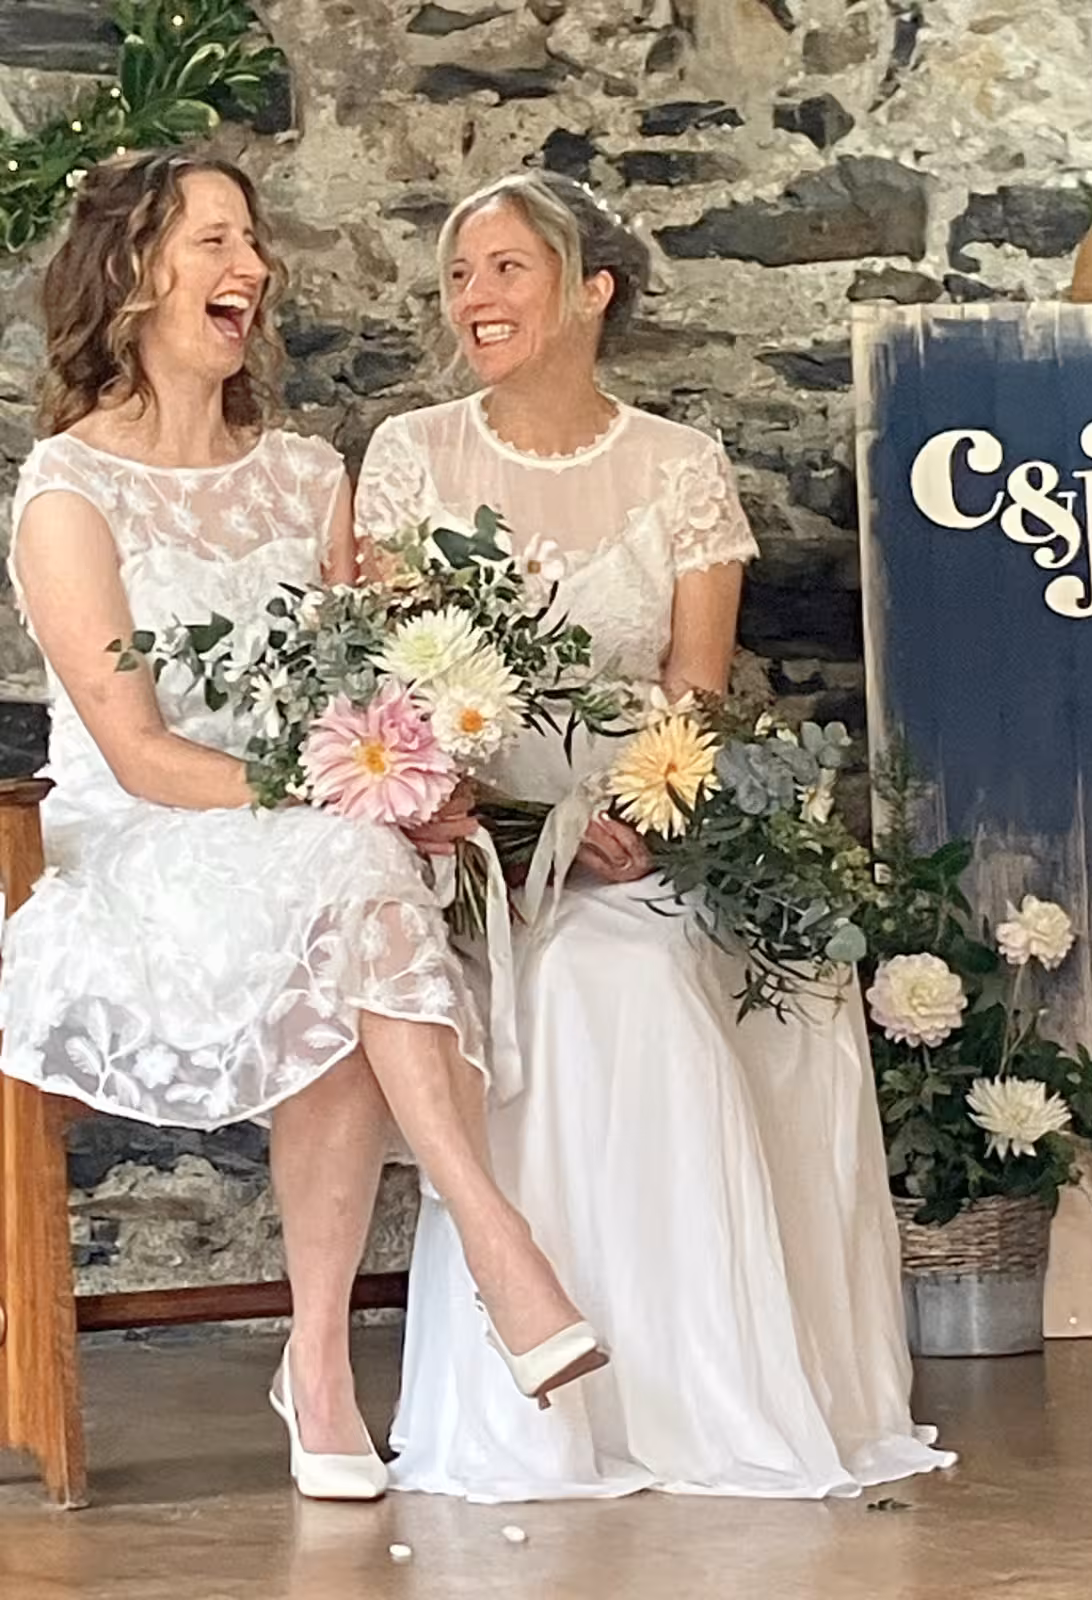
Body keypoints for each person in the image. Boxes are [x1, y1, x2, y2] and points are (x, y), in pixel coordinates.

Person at [0, 152, 604, 1503]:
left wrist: (415, 769)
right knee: (349, 876)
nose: (252, 268)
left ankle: (324, 1360)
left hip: (312, 844)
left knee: (351, 887)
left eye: (253, 242)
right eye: (216, 240)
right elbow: (145, 756)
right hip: (141, 854)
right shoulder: (64, 494)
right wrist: (344, 793)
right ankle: (488, 1246)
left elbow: (361, 692)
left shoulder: (305, 475)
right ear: (136, 271)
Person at [355, 171, 957, 1501]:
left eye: (506, 270)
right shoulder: (411, 455)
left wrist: (635, 818)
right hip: (478, 837)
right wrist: (516, 833)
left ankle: (725, 1389)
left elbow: (696, 688)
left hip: (653, 825)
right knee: (593, 981)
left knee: (760, 977)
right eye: (461, 275)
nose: (475, 299)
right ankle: (571, 1396)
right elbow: (392, 686)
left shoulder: (681, 468)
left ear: (591, 291)